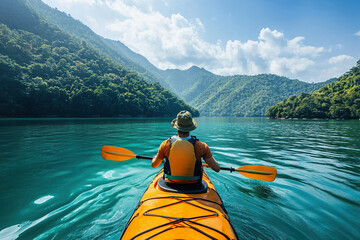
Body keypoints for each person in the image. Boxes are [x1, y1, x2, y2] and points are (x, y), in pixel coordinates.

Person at [152, 110, 220, 185]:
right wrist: (210, 163)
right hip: (194, 186)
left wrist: (155, 158)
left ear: (177, 126)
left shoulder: (165, 144)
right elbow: (217, 168)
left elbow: (154, 165)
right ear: (191, 127)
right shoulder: (202, 146)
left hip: (170, 185)